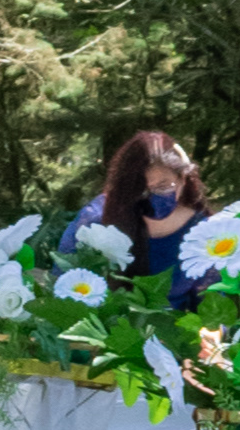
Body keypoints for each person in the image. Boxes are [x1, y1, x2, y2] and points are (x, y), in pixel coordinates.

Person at [59, 129, 212, 303]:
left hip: (181, 320)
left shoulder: (204, 232)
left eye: (163, 186)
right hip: (109, 318)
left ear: (182, 179)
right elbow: (66, 283)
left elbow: (213, 303)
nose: (153, 197)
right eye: (141, 190)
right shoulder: (96, 220)